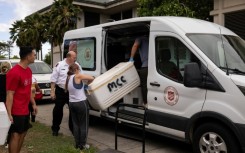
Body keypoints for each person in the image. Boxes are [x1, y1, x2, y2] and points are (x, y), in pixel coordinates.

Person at [5, 46, 38, 153]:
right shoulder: (14, 72)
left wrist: (33, 104)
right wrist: (9, 113)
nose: (35, 56)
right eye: (34, 54)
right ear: (28, 56)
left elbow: (28, 90)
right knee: (15, 135)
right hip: (16, 110)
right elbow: (10, 94)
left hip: (25, 109)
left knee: (23, 133)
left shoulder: (28, 70)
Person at [65, 63, 94, 150]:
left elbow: (66, 88)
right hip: (81, 103)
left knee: (76, 124)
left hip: (72, 103)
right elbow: (92, 78)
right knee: (83, 124)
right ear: (77, 69)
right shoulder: (78, 76)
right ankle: (83, 145)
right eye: (79, 70)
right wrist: (86, 85)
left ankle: (77, 144)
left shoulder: (68, 78)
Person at [50, 51, 78, 136]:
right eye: (74, 57)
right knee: (58, 110)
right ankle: (55, 129)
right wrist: (52, 92)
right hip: (60, 91)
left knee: (73, 111)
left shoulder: (76, 65)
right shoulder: (59, 65)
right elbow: (53, 79)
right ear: (68, 57)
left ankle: (73, 129)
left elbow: (81, 75)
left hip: (72, 91)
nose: (75, 58)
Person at [129, 36, 149, 105]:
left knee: (144, 86)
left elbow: (135, 45)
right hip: (154, 65)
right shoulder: (149, 38)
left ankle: (145, 103)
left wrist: (131, 58)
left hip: (146, 66)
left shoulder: (140, 38)